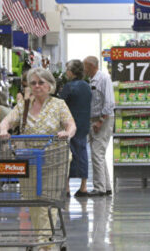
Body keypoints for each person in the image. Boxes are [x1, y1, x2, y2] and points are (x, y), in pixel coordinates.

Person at [0, 68, 76, 250]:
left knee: (47, 201)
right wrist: (4, 130)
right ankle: (44, 239)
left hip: (55, 159)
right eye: (33, 83)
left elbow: (71, 124)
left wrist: (67, 133)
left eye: (41, 82)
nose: (37, 86)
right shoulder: (24, 105)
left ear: (50, 85)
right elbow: (7, 120)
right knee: (33, 201)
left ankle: (44, 243)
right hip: (30, 160)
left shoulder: (59, 105)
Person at [58, 60, 92, 198]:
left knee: (67, 154)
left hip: (69, 124)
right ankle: (83, 186)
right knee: (82, 152)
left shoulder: (69, 86)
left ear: (71, 72)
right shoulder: (86, 86)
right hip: (84, 124)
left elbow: (60, 103)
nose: (66, 72)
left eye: (67, 70)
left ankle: (66, 188)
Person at [83, 56, 115, 197]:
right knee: (99, 154)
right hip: (94, 120)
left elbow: (109, 102)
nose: (84, 70)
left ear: (91, 65)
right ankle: (106, 187)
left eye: (85, 66)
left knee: (97, 153)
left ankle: (99, 188)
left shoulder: (103, 78)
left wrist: (101, 120)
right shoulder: (91, 80)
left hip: (103, 120)